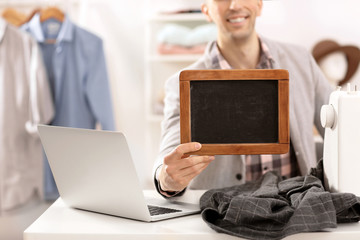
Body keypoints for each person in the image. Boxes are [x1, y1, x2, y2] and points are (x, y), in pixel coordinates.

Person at [153, 0, 333, 197]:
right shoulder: (182, 83)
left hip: (297, 207)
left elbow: (340, 130)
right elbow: (167, 159)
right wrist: (166, 179)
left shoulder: (301, 60)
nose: (235, 5)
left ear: (259, 5)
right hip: (222, 214)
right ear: (206, 11)